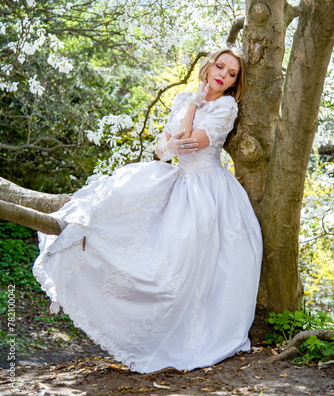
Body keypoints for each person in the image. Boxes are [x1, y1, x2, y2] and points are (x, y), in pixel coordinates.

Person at [33, 47, 263, 374]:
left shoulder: (226, 107)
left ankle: (186, 335)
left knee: (182, 268)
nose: (222, 75)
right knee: (118, 222)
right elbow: (162, 150)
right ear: (210, 64)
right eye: (220, 66)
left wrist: (190, 112)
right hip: (177, 179)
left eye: (231, 74)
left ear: (234, 83)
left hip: (207, 190)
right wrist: (176, 129)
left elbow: (189, 142)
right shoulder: (183, 96)